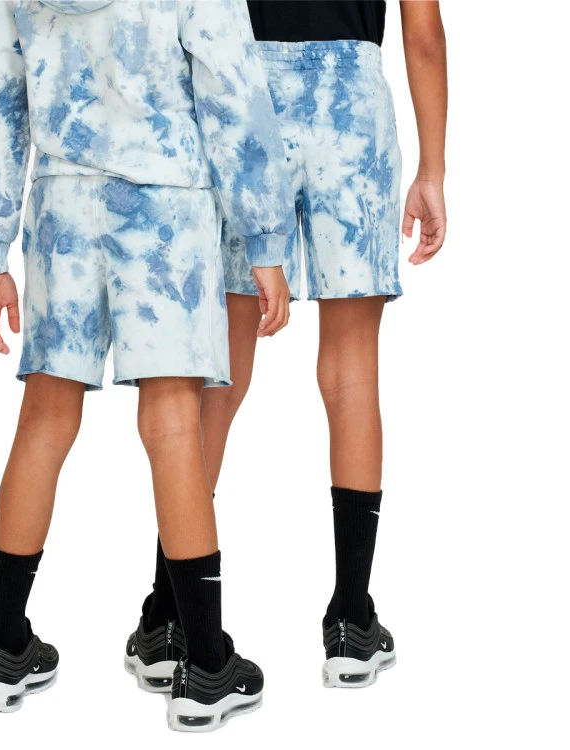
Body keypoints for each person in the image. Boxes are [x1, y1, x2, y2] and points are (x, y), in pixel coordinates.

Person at [0, 0, 294, 730]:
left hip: (60, 205)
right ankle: (204, 663)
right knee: (173, 422)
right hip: (166, 202)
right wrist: (266, 238)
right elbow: (233, 89)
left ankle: (2, 646)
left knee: (44, 420)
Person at [132, 0, 447, 689]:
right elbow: (422, 36)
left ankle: (168, 616)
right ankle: (351, 621)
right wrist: (432, 169)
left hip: (245, 97)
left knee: (219, 373)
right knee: (352, 372)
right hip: (352, 106)